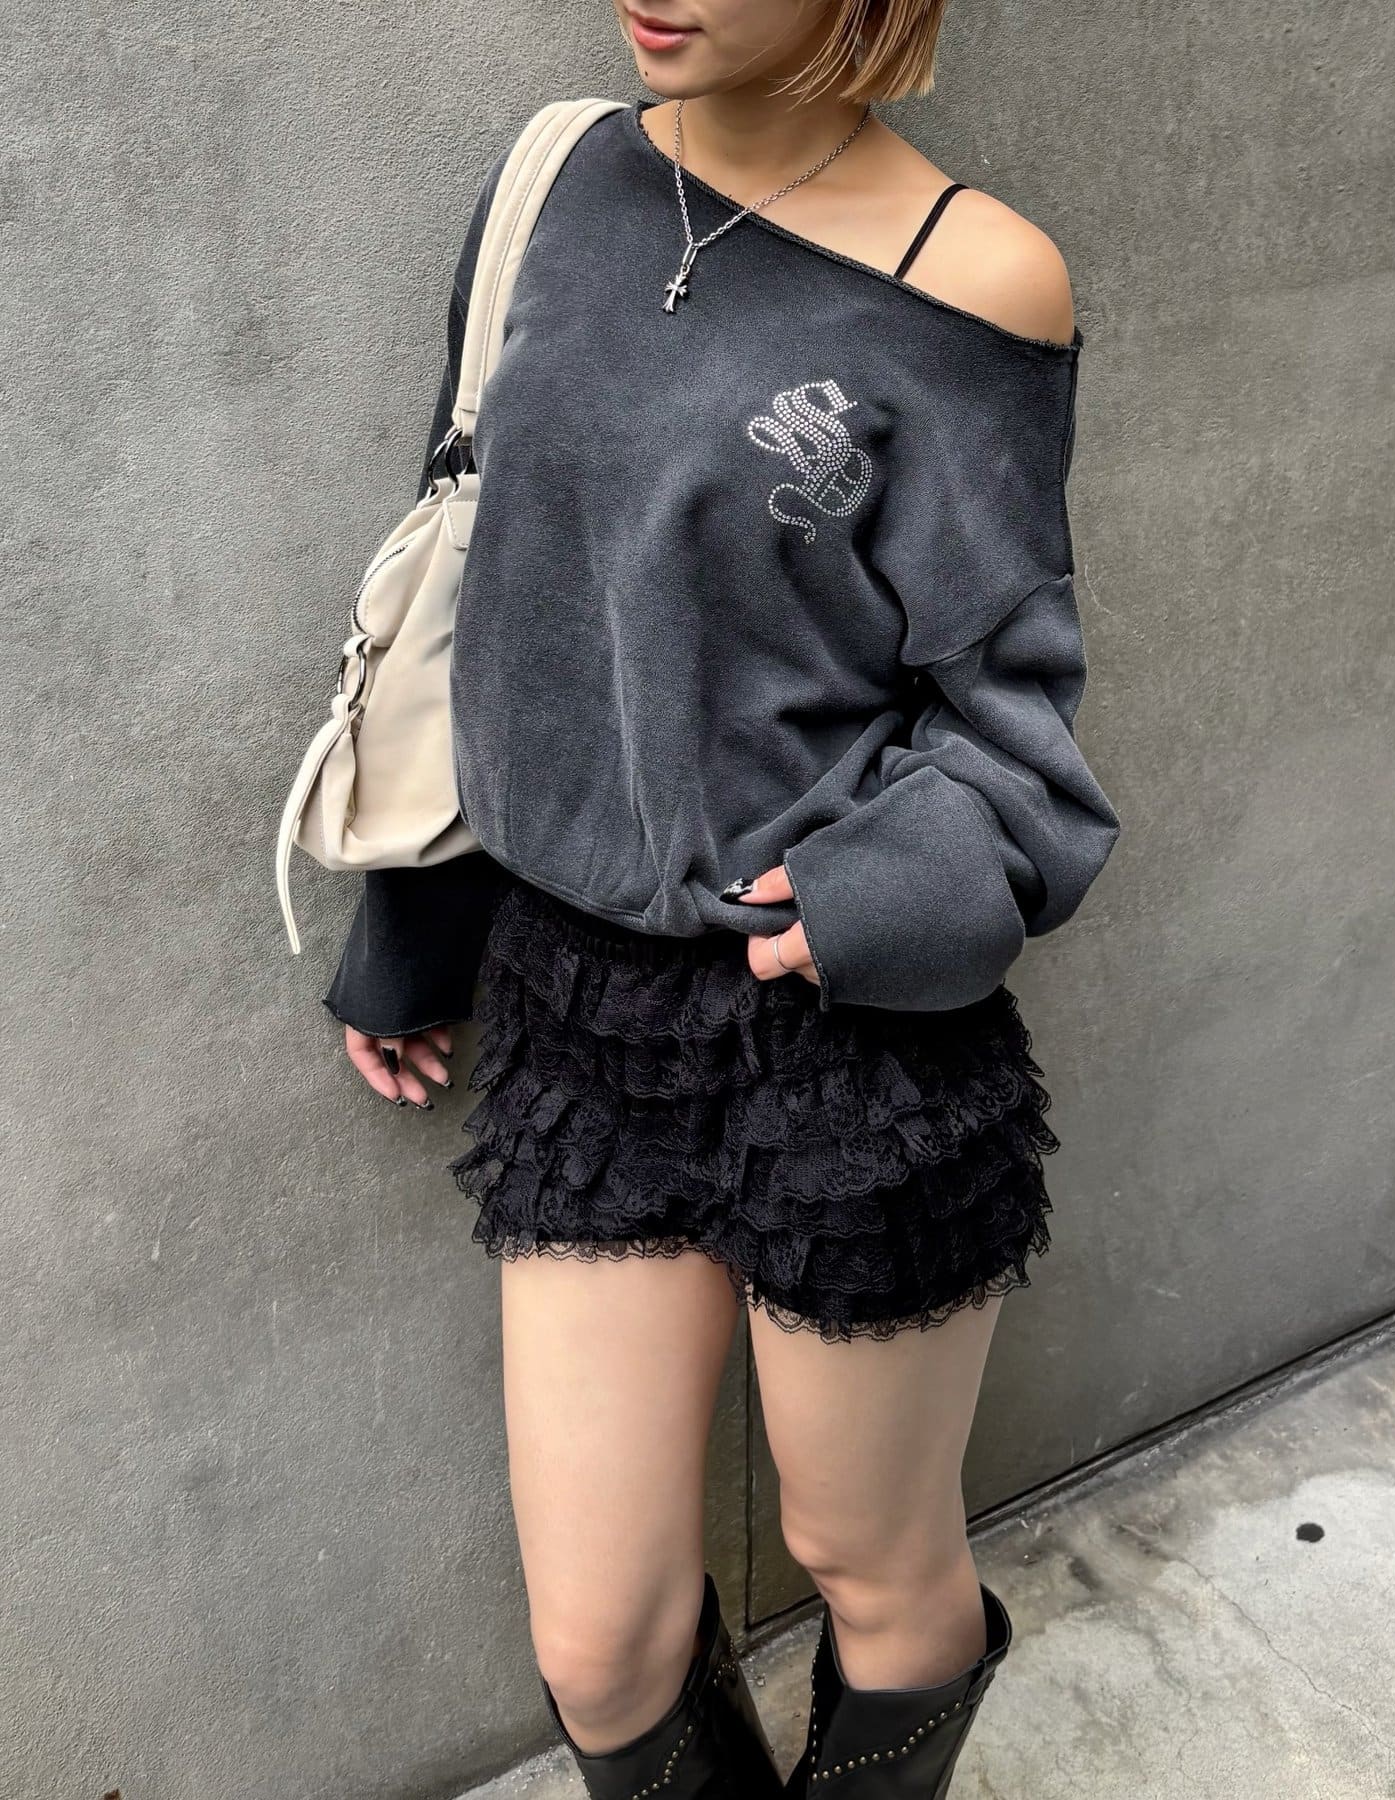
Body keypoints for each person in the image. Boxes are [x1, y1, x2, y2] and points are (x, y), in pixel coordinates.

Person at [320, 3, 1120, 1794]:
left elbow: (1016, 732)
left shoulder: (978, 278)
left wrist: (867, 899)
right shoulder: (551, 182)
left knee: (867, 1560)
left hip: (838, 1030)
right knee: (599, 1644)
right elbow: (476, 588)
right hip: (573, 1007)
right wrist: (413, 934)